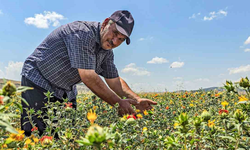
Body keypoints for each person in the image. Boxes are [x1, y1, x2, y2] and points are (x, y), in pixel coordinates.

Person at [21, 10, 157, 137]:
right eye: (114, 33)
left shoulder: (107, 51)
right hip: (38, 79)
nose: (115, 41)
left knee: (65, 133)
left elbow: (114, 81)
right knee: (37, 134)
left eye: (121, 39)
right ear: (105, 23)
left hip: (64, 89)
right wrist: (118, 103)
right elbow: (89, 77)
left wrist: (136, 99)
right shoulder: (82, 33)